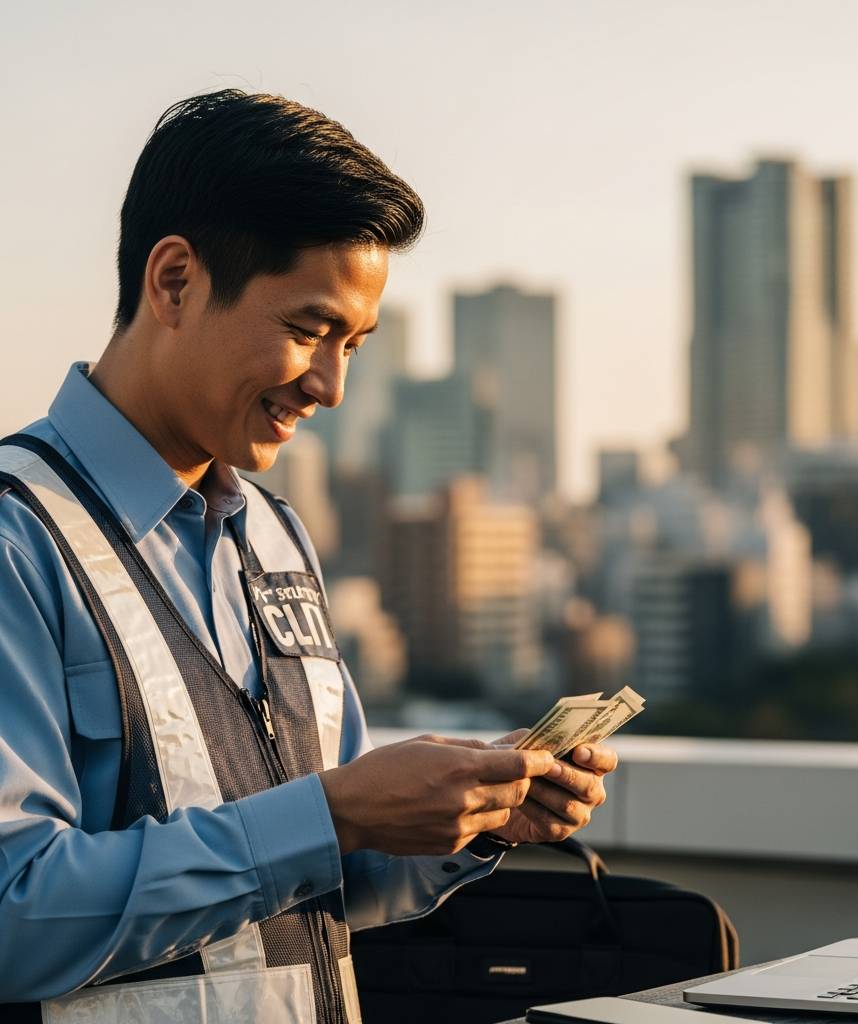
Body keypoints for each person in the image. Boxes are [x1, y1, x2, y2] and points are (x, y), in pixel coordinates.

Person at [0, 90, 618, 1023]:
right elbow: (13, 916)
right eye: (307, 330)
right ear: (173, 283)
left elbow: (318, 888)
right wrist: (333, 814)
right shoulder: (17, 537)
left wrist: (460, 823)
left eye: (355, 345)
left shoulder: (276, 536)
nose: (331, 386)